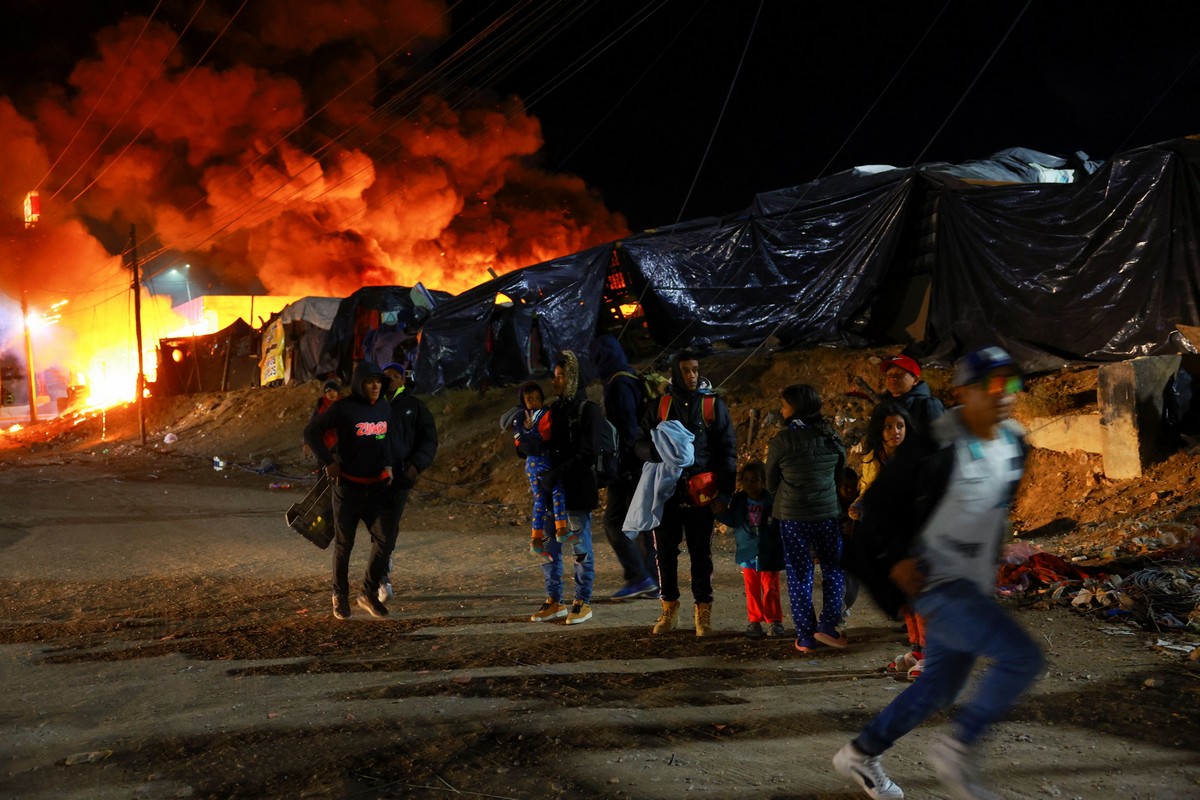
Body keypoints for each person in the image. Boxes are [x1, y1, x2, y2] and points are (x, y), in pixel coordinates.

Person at [833, 346, 1043, 800]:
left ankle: (862, 752)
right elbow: (879, 508)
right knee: (1022, 657)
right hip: (938, 581)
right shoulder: (936, 443)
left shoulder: (1014, 443)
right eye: (990, 385)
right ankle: (958, 748)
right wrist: (894, 561)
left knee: (941, 685)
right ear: (964, 392)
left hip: (972, 582)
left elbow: (990, 508)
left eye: (1009, 384)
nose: (1003, 394)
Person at [634, 348, 737, 637]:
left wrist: (725, 494)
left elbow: (727, 451)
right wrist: (656, 452)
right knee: (665, 553)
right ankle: (669, 609)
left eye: (695, 369)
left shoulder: (712, 406)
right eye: (686, 370)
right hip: (666, 493)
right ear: (676, 373)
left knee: (700, 554)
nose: (691, 375)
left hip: (701, 495)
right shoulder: (659, 406)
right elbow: (638, 442)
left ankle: (702, 611)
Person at [303, 361, 395, 620]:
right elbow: (311, 431)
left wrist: (388, 464)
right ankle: (339, 596)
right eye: (369, 381)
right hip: (348, 487)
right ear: (359, 383)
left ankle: (367, 593)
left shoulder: (385, 408)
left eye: (378, 381)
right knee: (345, 544)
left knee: (385, 540)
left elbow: (385, 437)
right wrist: (328, 462)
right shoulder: (343, 408)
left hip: (376, 487)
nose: (375, 386)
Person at [517, 351, 602, 626]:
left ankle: (582, 601)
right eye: (554, 376)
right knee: (549, 548)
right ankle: (554, 600)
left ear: (574, 377)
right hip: (552, 492)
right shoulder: (553, 409)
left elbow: (587, 453)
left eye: (562, 375)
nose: (557, 381)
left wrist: (556, 474)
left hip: (575, 492)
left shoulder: (587, 410)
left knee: (580, 549)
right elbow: (537, 444)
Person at [766, 384, 848, 653]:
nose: (782, 409)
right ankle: (827, 625)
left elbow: (771, 482)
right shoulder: (831, 437)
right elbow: (839, 475)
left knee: (800, 574)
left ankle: (806, 637)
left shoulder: (782, 441)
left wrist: (787, 498)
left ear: (796, 407)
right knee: (834, 570)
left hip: (793, 518)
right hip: (826, 514)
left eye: (785, 405)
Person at [850, 402, 925, 679]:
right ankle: (916, 649)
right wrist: (858, 504)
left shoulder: (917, 459)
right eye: (889, 426)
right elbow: (867, 491)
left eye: (901, 426)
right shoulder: (873, 461)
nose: (895, 432)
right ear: (879, 431)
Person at [589, 335, 658, 600]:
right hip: (643, 462)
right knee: (641, 524)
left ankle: (639, 578)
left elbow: (627, 429)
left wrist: (625, 467)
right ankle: (653, 579)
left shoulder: (618, 384)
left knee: (614, 522)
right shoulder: (630, 376)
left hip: (628, 465)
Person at [378, 361, 438, 605]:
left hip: (401, 478)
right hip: (371, 477)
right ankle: (380, 577)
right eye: (386, 376)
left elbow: (429, 440)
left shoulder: (414, 407)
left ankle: (382, 571)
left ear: (403, 380)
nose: (390, 379)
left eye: (395, 376)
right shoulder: (371, 405)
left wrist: (415, 467)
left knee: (388, 525)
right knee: (378, 527)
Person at [715, 461, 785, 639]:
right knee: (752, 589)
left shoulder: (772, 500)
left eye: (755, 480)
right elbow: (734, 521)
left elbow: (780, 525)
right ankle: (755, 621)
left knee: (770, 588)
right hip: (747, 551)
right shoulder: (739, 500)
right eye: (746, 480)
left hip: (769, 552)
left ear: (763, 481)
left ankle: (774, 621)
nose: (750, 484)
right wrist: (720, 513)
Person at [508, 380, 569, 556]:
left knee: (539, 499)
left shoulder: (525, 416)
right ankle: (562, 529)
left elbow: (519, 441)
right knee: (557, 490)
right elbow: (527, 439)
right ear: (524, 401)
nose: (534, 402)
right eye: (529, 399)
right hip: (541, 462)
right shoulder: (529, 416)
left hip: (531, 464)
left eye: (536, 398)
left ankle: (536, 538)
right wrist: (530, 434)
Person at [877, 354, 945, 437]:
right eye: (889, 375)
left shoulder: (928, 404)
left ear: (915, 380)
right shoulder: (884, 405)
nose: (893, 378)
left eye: (899, 375)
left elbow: (939, 440)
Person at [302, 380, 340, 465]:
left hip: (340, 442)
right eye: (329, 391)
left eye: (334, 390)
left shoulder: (344, 404)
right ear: (325, 394)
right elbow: (311, 423)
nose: (332, 393)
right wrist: (306, 442)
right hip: (323, 442)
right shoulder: (321, 404)